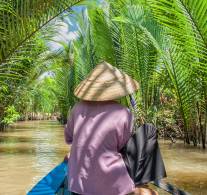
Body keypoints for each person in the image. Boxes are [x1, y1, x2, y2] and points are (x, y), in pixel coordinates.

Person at [64, 61, 163, 195]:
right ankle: (141, 183)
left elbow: (69, 138)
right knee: (148, 130)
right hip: (113, 189)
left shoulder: (77, 109)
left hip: (78, 188)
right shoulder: (123, 112)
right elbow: (124, 148)